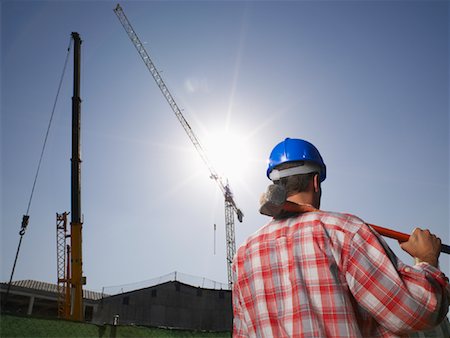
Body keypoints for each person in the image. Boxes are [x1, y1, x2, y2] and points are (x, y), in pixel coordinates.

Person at [232, 138, 449, 337]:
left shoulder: (242, 256)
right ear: (316, 181)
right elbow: (415, 313)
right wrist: (427, 259)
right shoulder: (345, 232)